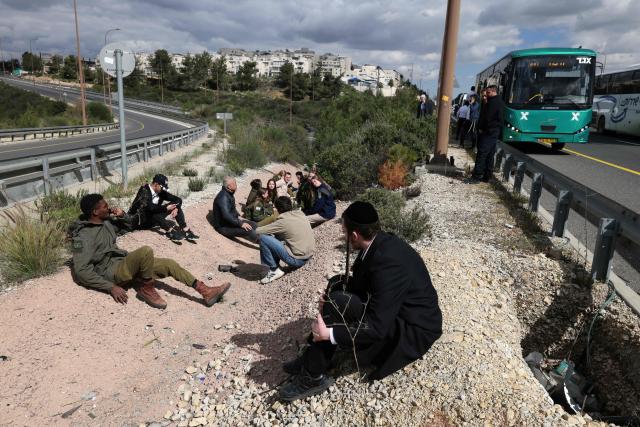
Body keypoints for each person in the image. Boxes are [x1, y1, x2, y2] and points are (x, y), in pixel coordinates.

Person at [277, 201, 442, 401]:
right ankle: (314, 356)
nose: (344, 237)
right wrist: (328, 298)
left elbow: (377, 327)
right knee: (337, 284)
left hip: (412, 330)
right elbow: (362, 283)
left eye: (345, 232)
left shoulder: (388, 263)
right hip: (397, 311)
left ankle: (313, 375)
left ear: (355, 235)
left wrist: (329, 332)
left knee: (338, 302)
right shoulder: (378, 243)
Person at [70, 193, 231, 309]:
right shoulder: (82, 237)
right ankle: (146, 289)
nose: (109, 207)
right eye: (105, 206)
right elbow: (81, 271)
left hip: (122, 263)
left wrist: (122, 215)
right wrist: (110, 287)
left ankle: (205, 291)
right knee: (145, 251)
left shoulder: (106, 223)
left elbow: (130, 226)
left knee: (169, 264)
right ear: (95, 212)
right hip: (112, 273)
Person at [256, 196, 315, 284]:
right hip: (309, 255)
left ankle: (273, 269)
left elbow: (258, 230)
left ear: (277, 208)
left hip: (297, 260)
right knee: (277, 235)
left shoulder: (282, 222)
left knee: (263, 238)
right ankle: (274, 266)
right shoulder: (300, 214)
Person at [128, 174, 199, 241]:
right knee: (153, 211)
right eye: (162, 187)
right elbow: (149, 208)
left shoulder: (160, 192)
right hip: (140, 222)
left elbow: (178, 199)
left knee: (174, 205)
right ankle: (170, 232)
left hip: (153, 218)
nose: (163, 189)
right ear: (156, 184)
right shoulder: (144, 191)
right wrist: (166, 208)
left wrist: (176, 208)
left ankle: (185, 230)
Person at [470, 85, 504, 183]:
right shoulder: (498, 102)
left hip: (488, 132)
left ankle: (477, 176)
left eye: (488, 93)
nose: (486, 95)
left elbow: (488, 118)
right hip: (493, 132)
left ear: (494, 92)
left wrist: (482, 128)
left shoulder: (493, 103)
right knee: (489, 155)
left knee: (482, 153)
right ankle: (487, 176)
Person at [212, 177, 258, 243]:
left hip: (231, 222)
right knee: (248, 230)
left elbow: (232, 210)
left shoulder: (229, 193)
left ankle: (264, 236)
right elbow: (227, 215)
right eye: (235, 184)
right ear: (229, 186)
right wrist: (240, 224)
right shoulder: (223, 197)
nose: (236, 185)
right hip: (223, 227)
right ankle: (262, 241)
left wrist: (239, 217)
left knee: (253, 224)